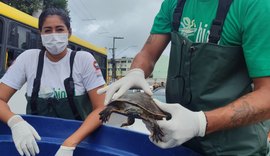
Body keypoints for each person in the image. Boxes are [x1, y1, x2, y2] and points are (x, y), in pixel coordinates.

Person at [98, 0, 270, 155]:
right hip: (179, 141)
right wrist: (136, 71)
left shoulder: (254, 5)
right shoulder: (174, 4)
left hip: (236, 147)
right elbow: (148, 54)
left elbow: (267, 95)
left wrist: (200, 123)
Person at [0, 8, 105, 156]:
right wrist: (15, 122)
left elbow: (101, 108)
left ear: (69, 32)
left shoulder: (83, 60)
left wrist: (70, 144)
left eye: (59, 29)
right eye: (48, 30)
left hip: (80, 142)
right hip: (36, 142)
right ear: (40, 34)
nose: (54, 35)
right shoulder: (28, 59)